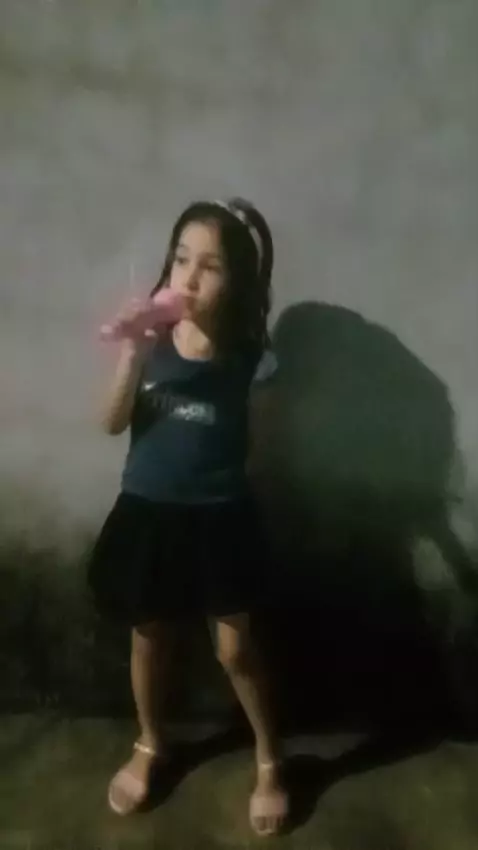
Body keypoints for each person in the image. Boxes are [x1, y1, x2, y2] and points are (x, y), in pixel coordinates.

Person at [87, 198, 289, 837]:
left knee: (235, 649)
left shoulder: (251, 358)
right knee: (148, 636)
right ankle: (151, 741)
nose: (190, 278)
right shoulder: (151, 344)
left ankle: (269, 756)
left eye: (211, 266)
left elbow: (260, 446)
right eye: (180, 260)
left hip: (219, 518)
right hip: (147, 514)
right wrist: (132, 352)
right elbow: (110, 422)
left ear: (239, 282)